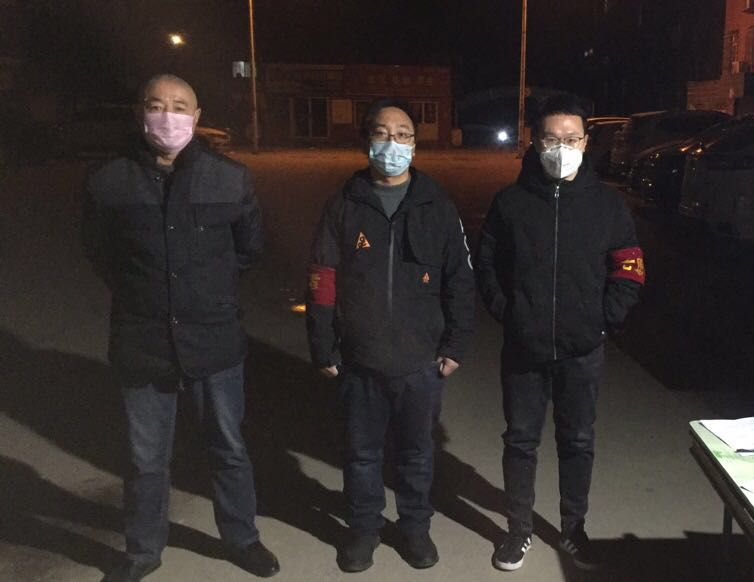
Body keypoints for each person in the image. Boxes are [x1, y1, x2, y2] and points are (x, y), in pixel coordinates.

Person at [82, 74, 279, 582]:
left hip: (214, 339)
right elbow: (101, 253)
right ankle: (142, 550)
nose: (167, 116)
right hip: (143, 341)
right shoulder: (109, 181)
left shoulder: (229, 178)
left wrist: (208, 293)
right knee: (145, 458)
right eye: (156, 105)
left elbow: (248, 249)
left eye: (179, 106)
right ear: (139, 113)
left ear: (196, 117)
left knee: (229, 447)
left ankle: (242, 538)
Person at [475, 94, 644, 572]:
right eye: (552, 139)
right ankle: (518, 530)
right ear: (535, 142)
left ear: (586, 142)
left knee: (577, 442)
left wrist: (604, 319)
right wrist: (508, 312)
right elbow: (486, 263)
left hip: (582, 350)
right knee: (520, 441)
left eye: (571, 139)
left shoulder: (607, 205)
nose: (561, 148)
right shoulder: (511, 202)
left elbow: (629, 266)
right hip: (524, 348)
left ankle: (573, 530)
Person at [305, 97, 474, 573]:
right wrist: (322, 344)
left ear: (415, 145)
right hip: (360, 360)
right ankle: (364, 530)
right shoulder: (344, 204)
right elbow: (322, 279)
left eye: (402, 135)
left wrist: (456, 344)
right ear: (366, 141)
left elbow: (460, 279)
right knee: (361, 455)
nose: (392, 143)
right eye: (382, 134)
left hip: (421, 362)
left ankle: (415, 528)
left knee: (417, 454)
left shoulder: (437, 205)